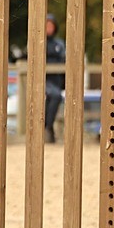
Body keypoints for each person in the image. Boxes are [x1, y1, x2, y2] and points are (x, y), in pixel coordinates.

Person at [43, 13, 65, 143]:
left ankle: (48, 127)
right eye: (47, 25)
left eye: (51, 26)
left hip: (55, 80)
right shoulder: (39, 42)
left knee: (56, 96)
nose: (49, 28)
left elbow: (63, 59)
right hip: (43, 80)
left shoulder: (59, 43)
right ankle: (47, 127)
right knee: (51, 97)